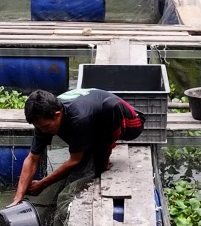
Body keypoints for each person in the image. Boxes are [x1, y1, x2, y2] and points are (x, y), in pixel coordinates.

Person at [11, 88, 143, 206]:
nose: (43, 130)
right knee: (81, 153)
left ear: (57, 114)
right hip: (93, 118)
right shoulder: (43, 120)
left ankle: (102, 163)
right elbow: (32, 158)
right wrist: (18, 196)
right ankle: (93, 149)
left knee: (89, 166)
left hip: (132, 122)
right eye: (39, 127)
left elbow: (74, 160)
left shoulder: (79, 118)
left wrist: (43, 183)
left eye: (45, 126)